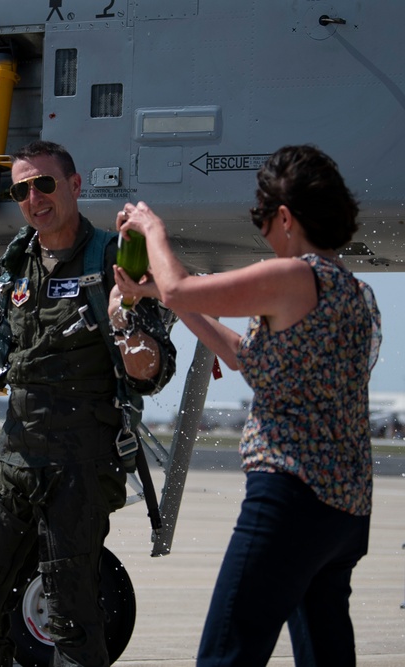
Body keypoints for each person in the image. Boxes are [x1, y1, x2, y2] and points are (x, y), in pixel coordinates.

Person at [115, 144, 381, 666]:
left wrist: (152, 228)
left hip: (289, 496)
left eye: (261, 219)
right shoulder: (355, 292)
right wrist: (161, 296)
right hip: (345, 508)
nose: (262, 230)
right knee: (325, 653)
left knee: (227, 654)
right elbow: (242, 356)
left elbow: (179, 288)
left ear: (285, 217)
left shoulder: (293, 278)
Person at [0, 140, 176, 667]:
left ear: (75, 186)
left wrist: (126, 326)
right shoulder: (15, 263)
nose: (34, 198)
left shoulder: (114, 259)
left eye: (45, 184)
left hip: (79, 465)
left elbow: (151, 374)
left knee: (72, 614)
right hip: (15, 458)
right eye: (22, 189)